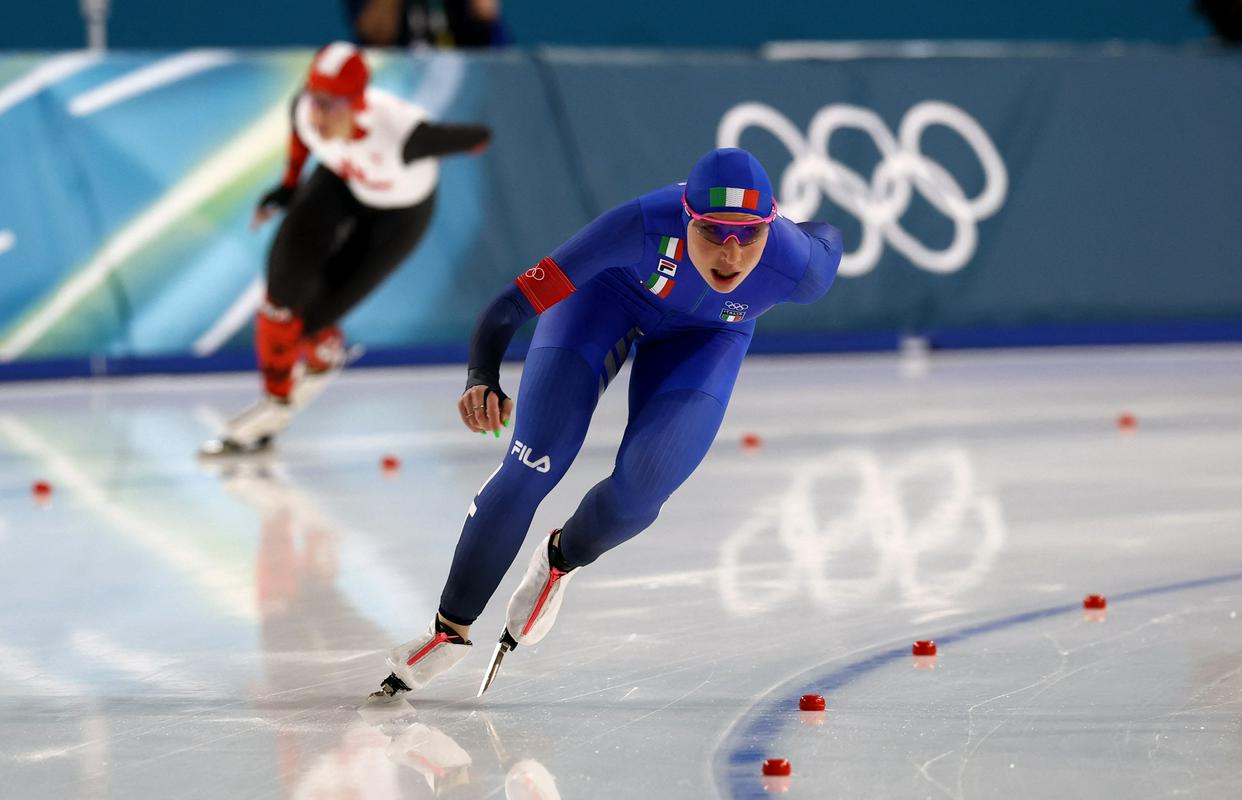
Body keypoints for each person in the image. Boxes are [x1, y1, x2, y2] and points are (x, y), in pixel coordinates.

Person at [370, 147, 843, 699]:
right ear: (686, 217)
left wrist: (786, 230)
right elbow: (510, 305)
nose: (731, 254)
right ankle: (449, 630)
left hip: (709, 336)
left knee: (643, 490)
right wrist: (482, 376)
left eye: (749, 235)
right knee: (532, 463)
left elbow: (827, 234)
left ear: (771, 225)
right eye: (713, 232)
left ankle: (560, 558)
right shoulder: (640, 226)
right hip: (603, 302)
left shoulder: (799, 265)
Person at [201, 42, 491, 457]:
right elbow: (300, 141)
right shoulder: (304, 110)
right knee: (280, 301)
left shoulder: (405, 136)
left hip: (399, 213)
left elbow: (479, 137)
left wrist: (452, 143)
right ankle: (274, 406)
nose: (316, 115)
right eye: (313, 98)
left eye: (330, 104)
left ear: (357, 103)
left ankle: (322, 350)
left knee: (311, 321)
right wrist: (287, 187)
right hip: (341, 181)